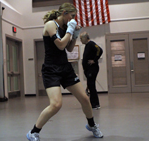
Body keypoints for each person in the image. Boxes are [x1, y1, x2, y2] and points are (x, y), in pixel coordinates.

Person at [26, 3, 103, 141]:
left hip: (65, 68)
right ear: (65, 13)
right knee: (56, 104)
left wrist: (74, 35)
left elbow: (69, 49)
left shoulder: (65, 27)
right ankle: (33, 132)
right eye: (72, 16)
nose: (73, 19)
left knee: (85, 99)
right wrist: (70, 30)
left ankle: (92, 125)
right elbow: (61, 45)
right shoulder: (51, 25)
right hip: (51, 70)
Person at [80, 32, 103, 109]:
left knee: (91, 86)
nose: (80, 40)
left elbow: (100, 50)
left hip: (92, 69)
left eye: (81, 38)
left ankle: (95, 104)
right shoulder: (87, 45)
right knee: (90, 86)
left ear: (85, 38)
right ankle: (94, 103)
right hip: (88, 69)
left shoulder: (91, 44)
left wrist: (94, 60)